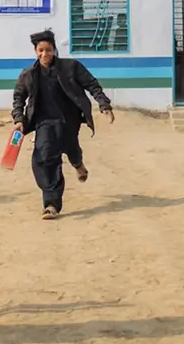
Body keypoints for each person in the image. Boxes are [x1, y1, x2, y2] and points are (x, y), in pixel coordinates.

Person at [11, 29, 114, 220]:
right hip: (43, 122)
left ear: (54, 49)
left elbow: (92, 85)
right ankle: (51, 204)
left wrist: (104, 104)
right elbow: (19, 97)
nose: (44, 54)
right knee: (44, 157)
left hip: (69, 119)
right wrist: (18, 119)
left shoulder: (71, 67)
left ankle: (77, 163)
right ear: (35, 51)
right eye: (40, 50)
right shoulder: (29, 74)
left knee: (70, 146)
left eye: (48, 50)